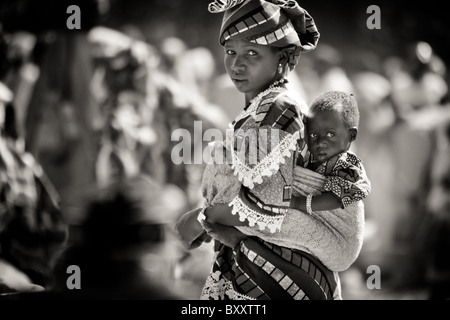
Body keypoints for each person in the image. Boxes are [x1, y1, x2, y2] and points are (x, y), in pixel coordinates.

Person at [177, 0, 357, 300]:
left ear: (284, 59)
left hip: (282, 274)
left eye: (252, 53)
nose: (236, 64)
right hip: (267, 265)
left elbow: (267, 205)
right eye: (230, 51)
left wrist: (200, 217)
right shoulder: (259, 108)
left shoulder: (278, 107)